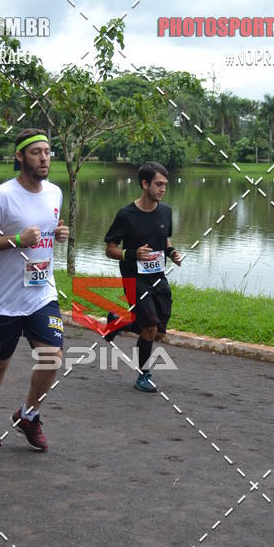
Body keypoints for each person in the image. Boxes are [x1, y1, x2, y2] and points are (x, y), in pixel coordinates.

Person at [0, 128, 69, 451]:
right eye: (37, 152)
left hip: (41, 294)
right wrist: (15, 241)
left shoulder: (54, 193)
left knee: (52, 357)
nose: (44, 158)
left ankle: (29, 415)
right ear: (19, 156)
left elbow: (47, 228)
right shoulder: (1, 197)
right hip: (3, 300)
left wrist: (57, 234)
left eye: (48, 152)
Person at [103, 160, 181, 393]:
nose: (163, 189)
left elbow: (164, 239)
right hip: (133, 278)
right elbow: (110, 249)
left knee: (158, 332)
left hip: (158, 277)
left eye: (165, 185)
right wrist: (132, 254)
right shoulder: (126, 214)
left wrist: (172, 252)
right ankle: (143, 375)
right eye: (159, 184)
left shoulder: (165, 212)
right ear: (144, 183)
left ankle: (118, 322)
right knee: (149, 327)